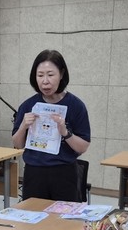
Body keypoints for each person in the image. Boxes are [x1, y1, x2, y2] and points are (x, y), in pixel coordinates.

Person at [12, 49, 91, 202]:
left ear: (61, 74)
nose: (45, 81)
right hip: (34, 173)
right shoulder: (28, 105)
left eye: (50, 74)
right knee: (32, 215)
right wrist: (23, 126)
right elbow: (17, 144)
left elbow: (83, 147)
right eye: (40, 75)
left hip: (64, 174)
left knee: (64, 217)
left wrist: (65, 132)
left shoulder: (76, 106)